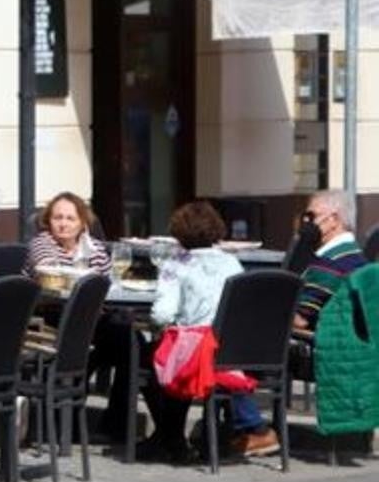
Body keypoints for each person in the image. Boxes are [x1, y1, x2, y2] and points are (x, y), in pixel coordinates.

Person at [137, 201, 277, 462]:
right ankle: (169, 437)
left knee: (150, 357)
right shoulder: (232, 263)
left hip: (197, 352)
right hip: (229, 350)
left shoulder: (177, 265)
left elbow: (162, 314)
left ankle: (171, 436)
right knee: (175, 357)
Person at [293, 189, 369, 332]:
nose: (306, 222)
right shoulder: (358, 258)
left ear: (334, 219)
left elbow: (301, 321)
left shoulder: (328, 265)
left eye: (312, 216)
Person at [24, 191, 111, 274]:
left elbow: (108, 282)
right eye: (57, 218)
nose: (63, 224)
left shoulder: (94, 247)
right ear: (48, 221)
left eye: (70, 219)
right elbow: (54, 278)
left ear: (83, 223)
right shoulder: (40, 244)